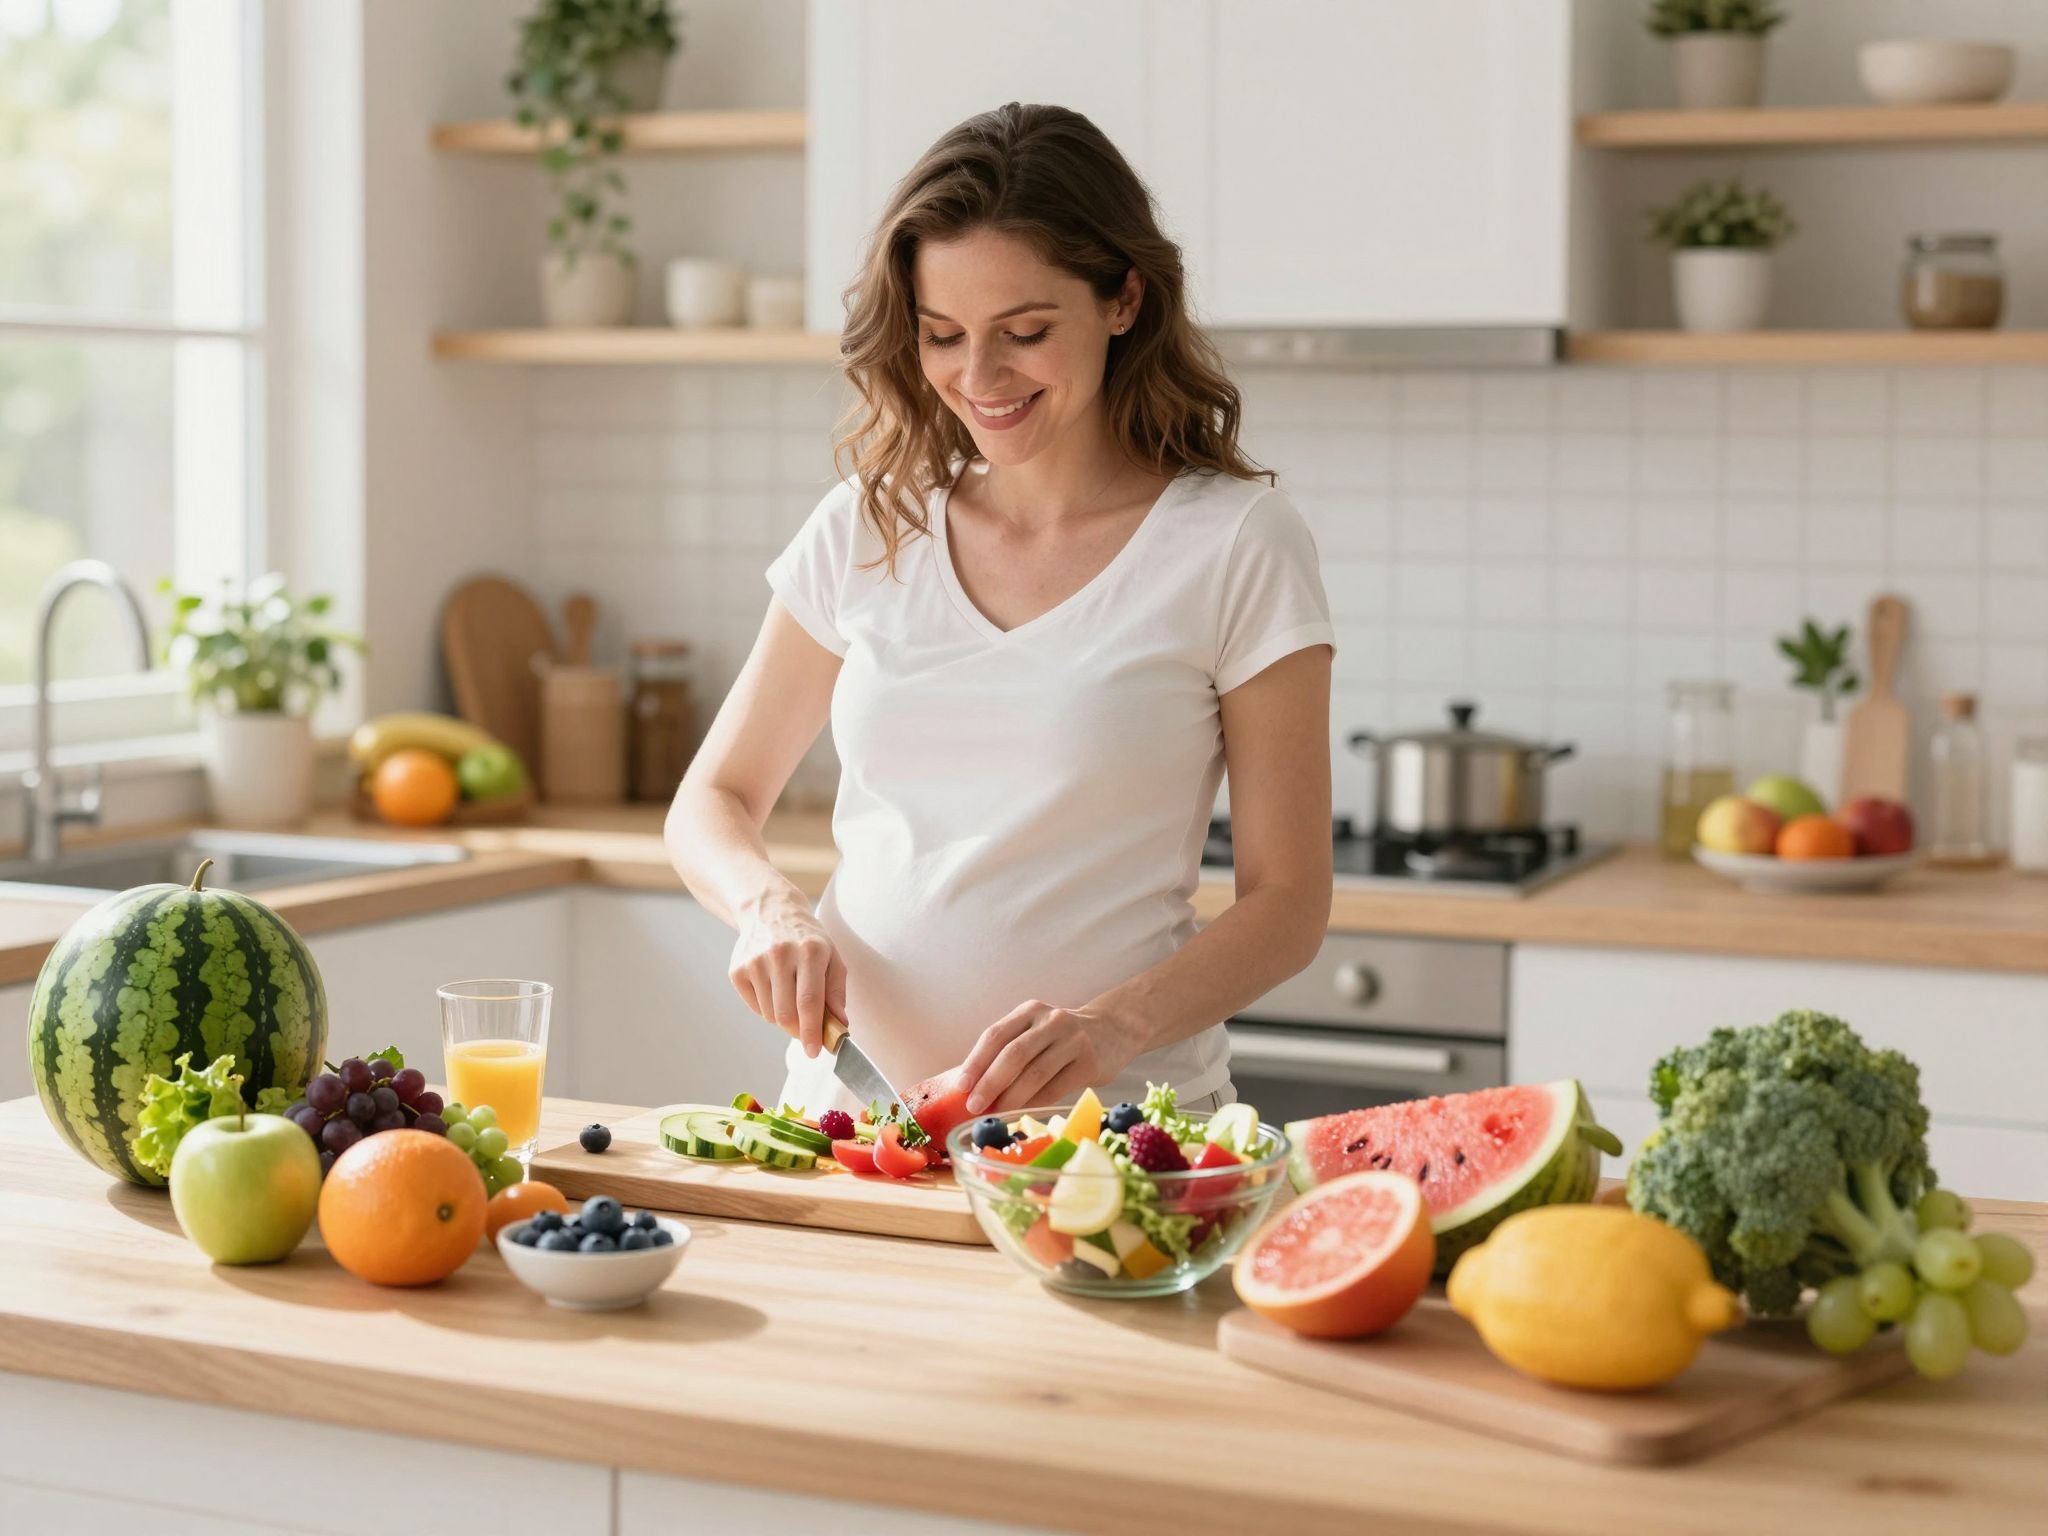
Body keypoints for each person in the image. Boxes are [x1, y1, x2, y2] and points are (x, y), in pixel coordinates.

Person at [665, 102, 1333, 1120]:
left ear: (1123, 300)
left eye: (1024, 333)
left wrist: (1112, 1026)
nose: (978, 378)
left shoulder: (1236, 542)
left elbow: (1288, 904)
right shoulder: (868, 525)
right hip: (852, 1122)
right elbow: (712, 799)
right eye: (942, 336)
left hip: (1109, 1138)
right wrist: (767, 909)